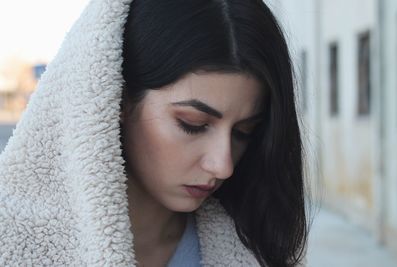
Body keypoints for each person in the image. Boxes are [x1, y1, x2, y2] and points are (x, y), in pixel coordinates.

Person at [0, 0, 308, 266]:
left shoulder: (257, 247)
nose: (222, 165)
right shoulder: (11, 241)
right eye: (193, 123)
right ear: (115, 98)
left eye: (244, 131)